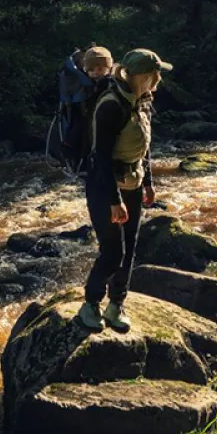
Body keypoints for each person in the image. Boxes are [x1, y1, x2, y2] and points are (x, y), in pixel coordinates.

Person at [78, 48, 172, 332]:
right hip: (104, 187)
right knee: (112, 253)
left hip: (132, 183)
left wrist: (149, 183)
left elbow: (144, 147)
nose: (159, 79)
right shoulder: (110, 105)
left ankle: (117, 304)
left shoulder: (144, 101)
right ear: (144, 76)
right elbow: (101, 158)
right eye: (156, 74)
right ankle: (90, 303)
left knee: (129, 249)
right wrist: (114, 201)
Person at [54, 45, 113, 175]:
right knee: (80, 126)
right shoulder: (82, 77)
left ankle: (72, 152)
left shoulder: (106, 84)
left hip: (82, 107)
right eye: (93, 70)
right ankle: (70, 150)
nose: (97, 73)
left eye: (101, 69)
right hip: (79, 106)